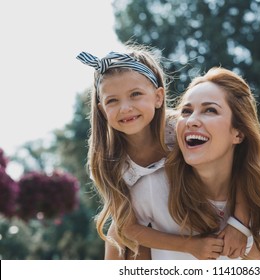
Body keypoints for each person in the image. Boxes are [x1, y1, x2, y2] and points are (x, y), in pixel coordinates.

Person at [76, 45, 249, 260]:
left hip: (194, 208)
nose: (125, 108)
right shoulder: (108, 160)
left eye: (135, 94)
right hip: (151, 230)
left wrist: (239, 224)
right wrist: (190, 246)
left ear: (158, 97)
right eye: (113, 100)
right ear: (102, 109)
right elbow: (128, 227)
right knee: (118, 242)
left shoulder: (181, 128)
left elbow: (241, 165)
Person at [126, 67, 260, 259]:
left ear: (238, 133)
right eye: (186, 111)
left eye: (210, 110)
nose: (191, 121)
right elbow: (119, 232)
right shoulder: (152, 187)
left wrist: (241, 225)